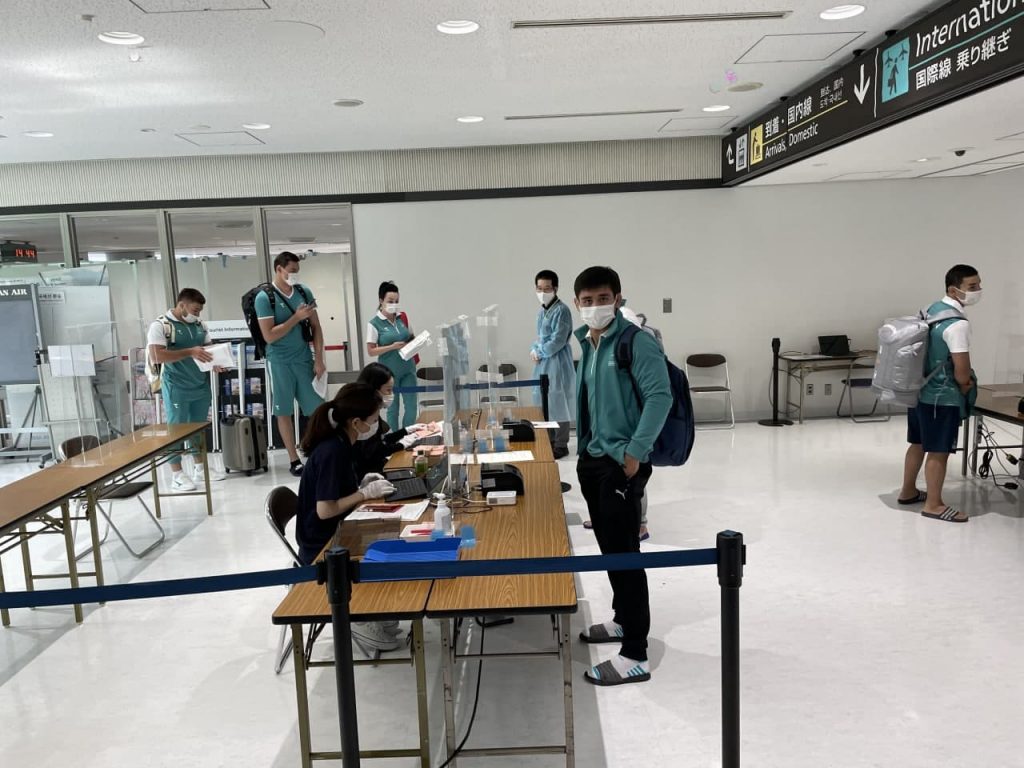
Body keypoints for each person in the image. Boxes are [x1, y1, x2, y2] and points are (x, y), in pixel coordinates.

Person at [573, 266, 671, 687]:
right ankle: (622, 618)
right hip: (593, 458)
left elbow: (660, 397)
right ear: (578, 303)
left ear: (617, 299)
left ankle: (635, 653)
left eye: (603, 298)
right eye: (587, 300)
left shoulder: (635, 341)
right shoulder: (588, 342)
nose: (595, 306)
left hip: (621, 463)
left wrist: (634, 453)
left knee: (626, 554)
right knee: (611, 548)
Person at [295, 383, 402, 651]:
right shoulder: (332, 450)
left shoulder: (344, 442)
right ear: (356, 422)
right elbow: (325, 510)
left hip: (337, 528)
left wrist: (360, 485)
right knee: (388, 542)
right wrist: (363, 494)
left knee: (393, 531)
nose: (377, 425)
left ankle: (373, 608)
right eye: (374, 420)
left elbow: (336, 490)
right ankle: (356, 614)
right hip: (323, 544)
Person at [898, 264, 981, 524]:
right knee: (939, 451)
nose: (978, 290)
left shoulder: (930, 311)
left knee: (918, 443)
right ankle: (934, 504)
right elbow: (961, 371)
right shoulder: (957, 325)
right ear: (954, 290)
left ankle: (908, 491)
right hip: (941, 398)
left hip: (919, 392)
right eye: (972, 286)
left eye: (978, 284)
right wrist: (965, 386)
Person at [255, 251, 326, 477]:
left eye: (297, 271)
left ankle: (318, 452)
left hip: (303, 358)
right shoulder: (264, 298)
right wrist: (296, 317)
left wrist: (319, 359)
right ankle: (294, 459)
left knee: (316, 408)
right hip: (279, 361)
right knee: (283, 410)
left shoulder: (304, 292)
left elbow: (316, 326)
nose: (295, 275)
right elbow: (269, 336)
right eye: (291, 271)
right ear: (279, 269)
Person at [147, 288, 224, 491]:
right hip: (176, 385)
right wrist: (190, 352)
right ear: (182, 305)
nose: (197, 314)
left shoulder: (200, 326)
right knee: (176, 430)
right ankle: (177, 474)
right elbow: (156, 356)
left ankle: (200, 467)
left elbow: (208, 350)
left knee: (197, 427)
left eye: (199, 311)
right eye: (195, 310)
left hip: (199, 384)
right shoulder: (160, 326)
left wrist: (217, 362)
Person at [530, 269, 576, 460]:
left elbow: (558, 340)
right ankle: (548, 440)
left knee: (559, 401)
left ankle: (561, 444)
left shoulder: (561, 310)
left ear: (555, 288)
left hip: (557, 361)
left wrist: (540, 351)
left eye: (547, 288)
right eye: (539, 288)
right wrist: (535, 349)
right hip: (543, 362)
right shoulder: (542, 311)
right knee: (544, 402)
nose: (543, 292)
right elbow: (541, 337)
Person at [354, 362, 424, 476]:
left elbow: (380, 441)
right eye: (388, 390)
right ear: (374, 390)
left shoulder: (372, 411)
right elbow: (377, 451)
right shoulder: (363, 416)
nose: (391, 394)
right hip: (370, 475)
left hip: (378, 467)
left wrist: (406, 431)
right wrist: (402, 444)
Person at [366, 281, 418, 428]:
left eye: (396, 301)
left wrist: (416, 342)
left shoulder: (403, 318)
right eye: (390, 301)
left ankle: (408, 435)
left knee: (411, 407)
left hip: (408, 369)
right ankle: (394, 437)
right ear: (381, 300)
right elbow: (371, 351)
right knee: (392, 409)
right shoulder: (374, 324)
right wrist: (391, 347)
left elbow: (411, 337)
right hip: (388, 374)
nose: (394, 305)